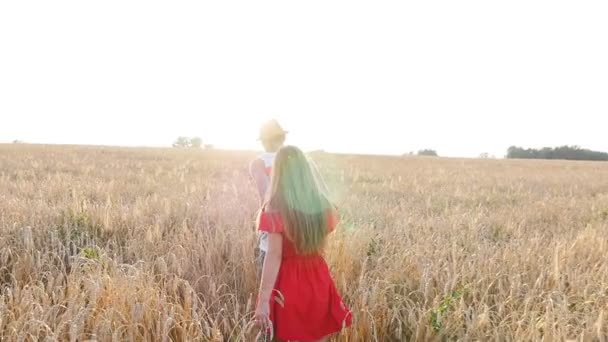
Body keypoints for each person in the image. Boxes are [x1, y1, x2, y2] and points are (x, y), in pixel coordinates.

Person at [254, 146, 352, 342]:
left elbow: (274, 255)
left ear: (278, 172)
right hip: (318, 278)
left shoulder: (275, 205)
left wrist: (263, 300)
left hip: (287, 282)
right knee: (316, 336)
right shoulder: (322, 204)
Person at [250, 119, 287, 273]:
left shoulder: (259, 163)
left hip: (271, 223)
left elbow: (266, 196)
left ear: (263, 141)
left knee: (267, 267)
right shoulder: (293, 159)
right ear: (282, 138)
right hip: (297, 224)